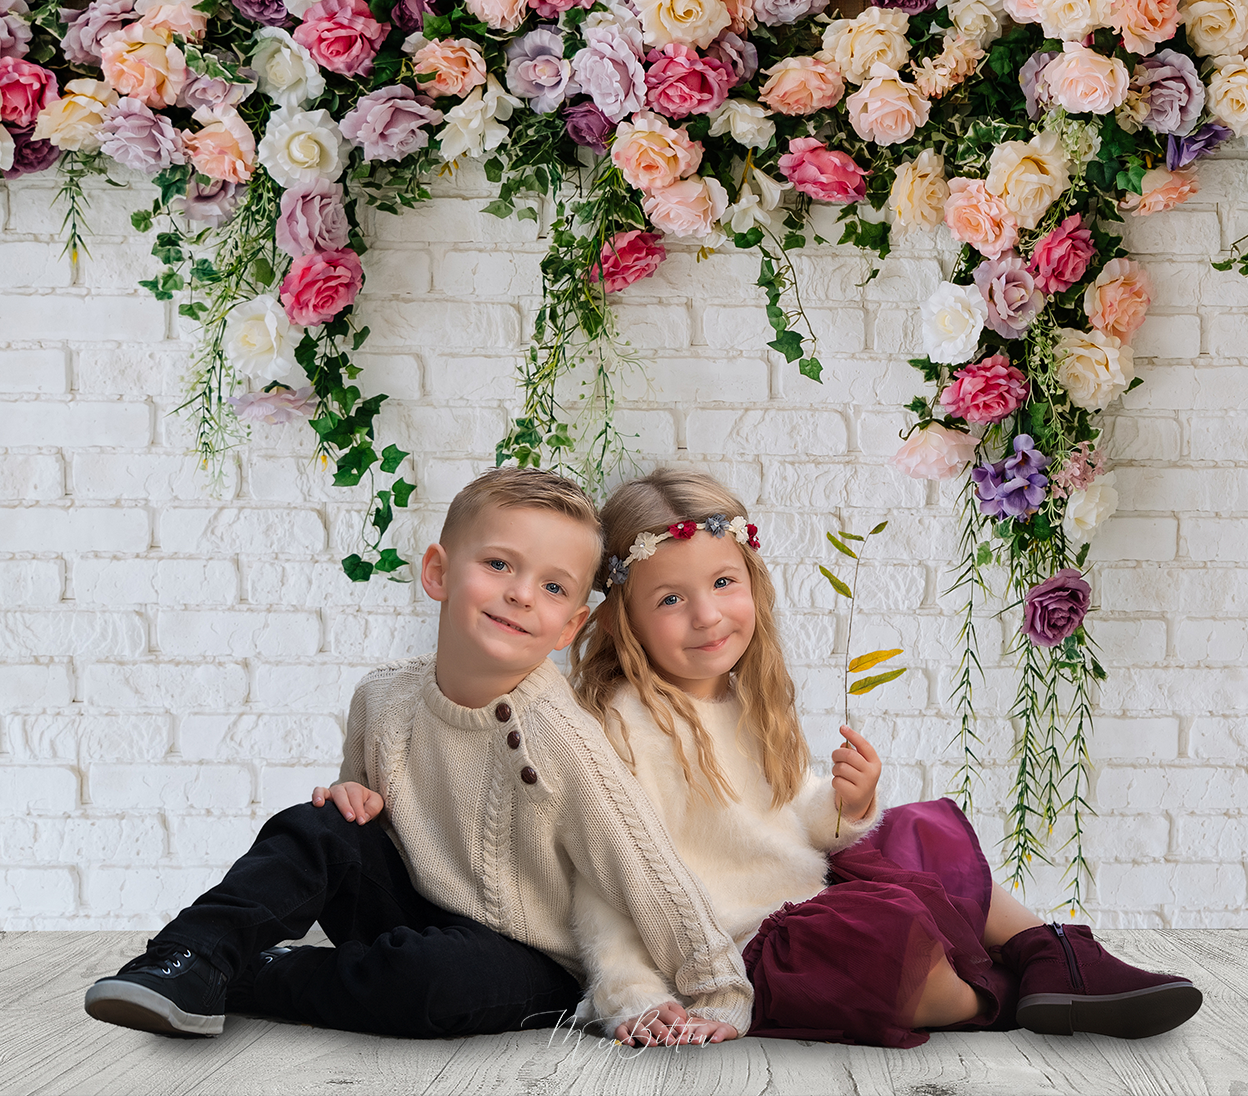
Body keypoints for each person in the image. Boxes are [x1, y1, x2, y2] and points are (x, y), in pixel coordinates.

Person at [84, 467, 751, 1044]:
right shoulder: (381, 697)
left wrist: (719, 988)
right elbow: (365, 809)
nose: (522, 594)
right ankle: (186, 957)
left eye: (553, 589)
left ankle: (260, 974)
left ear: (571, 625)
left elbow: (642, 864)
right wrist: (350, 799)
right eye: (499, 565)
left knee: (434, 986)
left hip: (526, 952)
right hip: (408, 903)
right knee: (314, 825)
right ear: (438, 572)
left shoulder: (561, 734)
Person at [569, 467, 1203, 1047]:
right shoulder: (620, 728)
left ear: (751, 584)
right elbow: (605, 887)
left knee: (918, 829)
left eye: (722, 582)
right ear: (626, 617)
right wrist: (634, 997)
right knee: (884, 939)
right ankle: (1004, 995)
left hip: (804, 896)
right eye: (671, 599)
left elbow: (789, 819)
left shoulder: (743, 697)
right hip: (739, 949)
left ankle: (1050, 954)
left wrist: (844, 804)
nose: (707, 615)